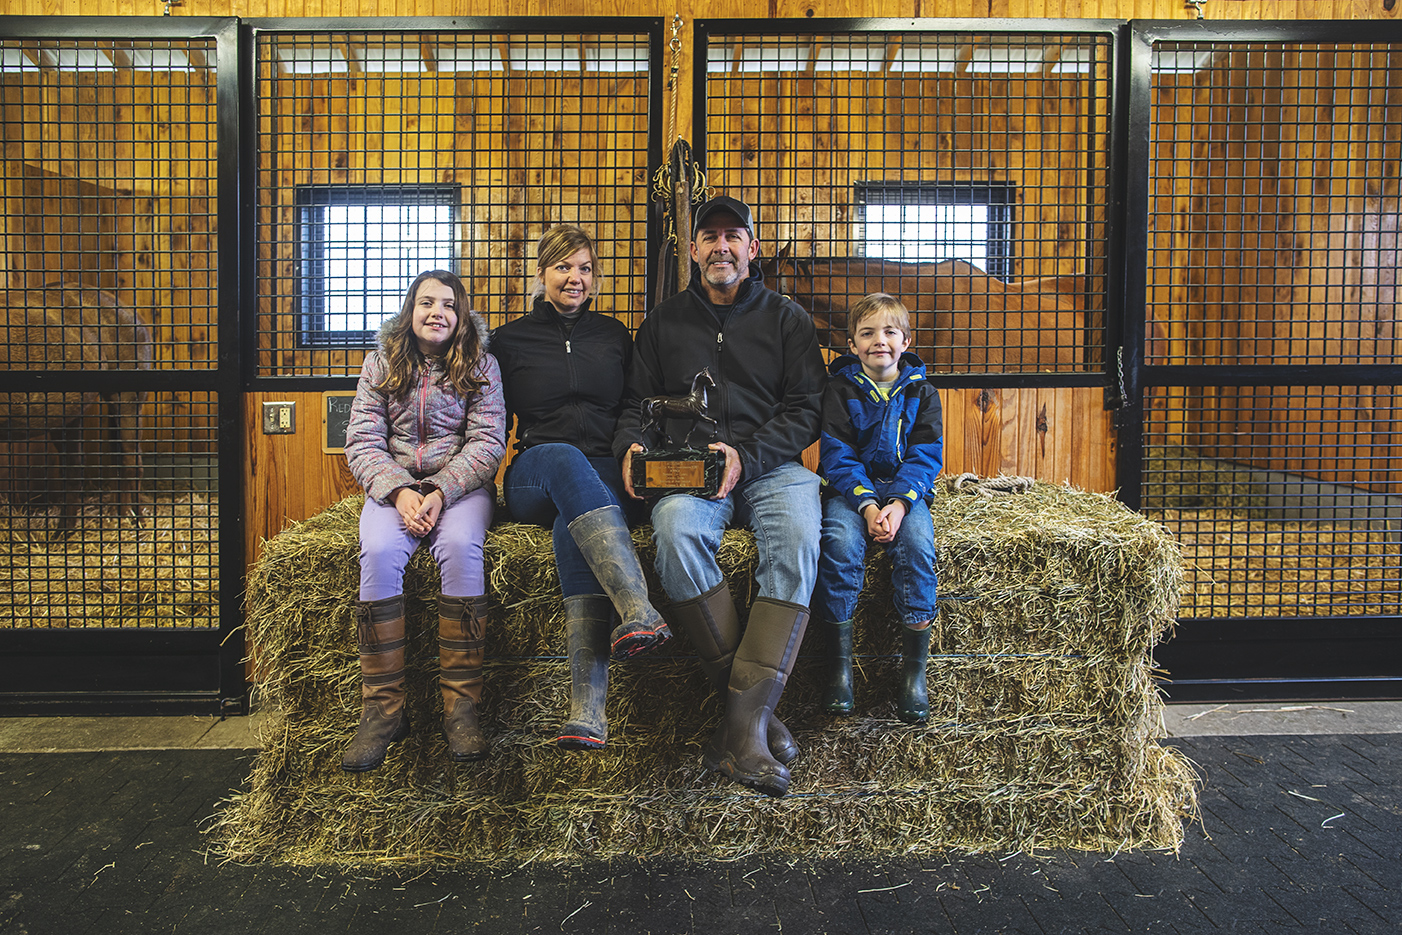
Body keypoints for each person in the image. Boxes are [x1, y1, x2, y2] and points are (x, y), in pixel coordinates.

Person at [615, 195, 826, 797]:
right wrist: (630, 447)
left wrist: (746, 456)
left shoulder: (787, 319)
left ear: (752, 248)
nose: (721, 247)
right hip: (688, 467)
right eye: (710, 237)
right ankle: (752, 722)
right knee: (675, 533)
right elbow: (635, 404)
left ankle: (740, 729)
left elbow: (807, 408)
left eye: (734, 236)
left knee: (798, 539)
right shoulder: (662, 323)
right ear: (693, 249)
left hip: (772, 466)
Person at [492, 225, 670, 751]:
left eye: (585, 268)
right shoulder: (508, 341)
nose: (576, 277)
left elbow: (635, 408)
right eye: (564, 267)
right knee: (567, 461)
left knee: (573, 525)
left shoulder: (614, 335)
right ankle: (637, 609)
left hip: (604, 473)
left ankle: (586, 712)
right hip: (536, 471)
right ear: (541, 273)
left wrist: (633, 449)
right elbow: (490, 422)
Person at [341, 270, 506, 771]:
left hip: (459, 490)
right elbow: (362, 440)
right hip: (394, 490)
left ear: (462, 316)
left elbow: (488, 443)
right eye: (427, 302)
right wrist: (397, 491)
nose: (438, 312)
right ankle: (383, 710)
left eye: (449, 305)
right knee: (379, 552)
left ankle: (461, 708)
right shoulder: (380, 363)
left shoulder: (481, 365)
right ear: (410, 311)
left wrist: (439, 490)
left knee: (460, 548)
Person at [811, 293, 943, 723]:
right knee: (838, 544)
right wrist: (868, 506)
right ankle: (840, 670)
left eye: (889, 332)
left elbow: (925, 456)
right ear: (852, 345)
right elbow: (837, 455)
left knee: (918, 548)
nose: (879, 341)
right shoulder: (840, 390)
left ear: (906, 341)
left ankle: (914, 674)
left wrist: (900, 506)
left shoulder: (922, 392)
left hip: (906, 493)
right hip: (850, 493)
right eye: (867, 333)